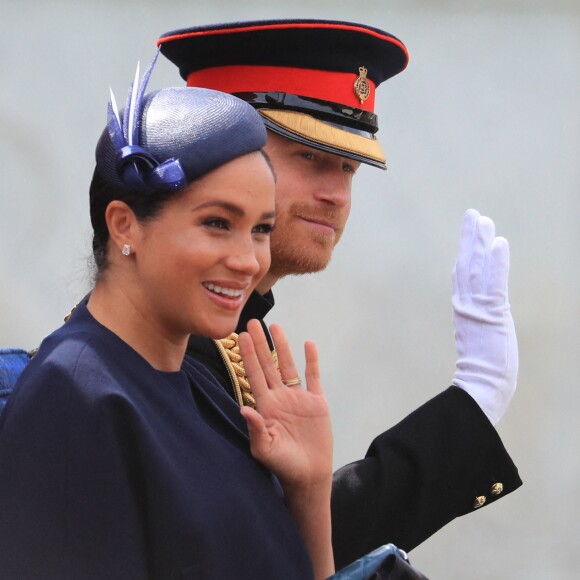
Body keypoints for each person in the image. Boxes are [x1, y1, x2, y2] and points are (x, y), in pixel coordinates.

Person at [157, 18, 522, 570]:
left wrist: (474, 403)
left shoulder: (231, 333)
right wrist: (475, 401)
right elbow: (252, 550)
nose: (336, 194)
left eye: (349, 167)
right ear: (218, 156)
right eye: (310, 158)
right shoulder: (162, 341)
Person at [0, 55, 335, 579]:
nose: (249, 260)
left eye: (261, 229)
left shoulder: (203, 388)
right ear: (124, 226)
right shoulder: (75, 395)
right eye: (217, 223)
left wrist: (310, 491)